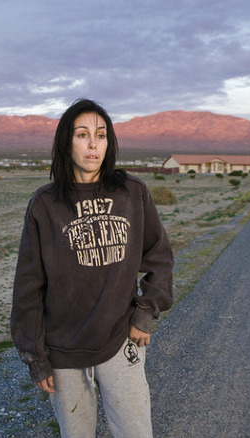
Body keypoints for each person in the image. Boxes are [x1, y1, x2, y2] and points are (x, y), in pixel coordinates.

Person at [10, 98, 174, 437]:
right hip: (63, 350)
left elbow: (159, 255)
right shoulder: (45, 204)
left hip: (120, 338)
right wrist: (36, 356)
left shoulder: (131, 193)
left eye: (101, 135)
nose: (93, 144)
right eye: (82, 134)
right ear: (66, 142)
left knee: (135, 431)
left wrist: (146, 311)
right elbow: (29, 286)